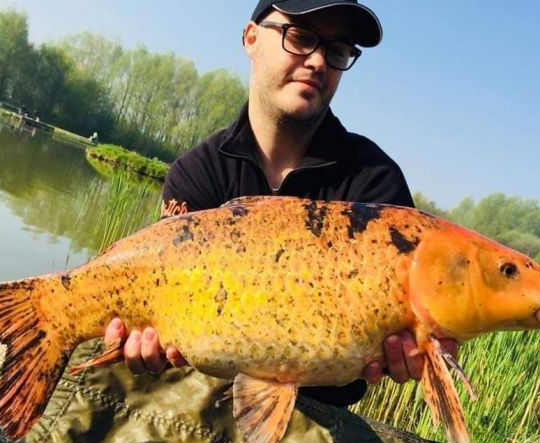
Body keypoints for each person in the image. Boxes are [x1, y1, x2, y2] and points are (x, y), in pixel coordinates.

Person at [105, 0, 458, 406]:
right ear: (251, 38)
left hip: (319, 417)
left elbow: (415, 323)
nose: (318, 61)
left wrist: (421, 352)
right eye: (301, 37)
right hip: (203, 399)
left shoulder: (374, 183)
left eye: (337, 50)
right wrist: (140, 344)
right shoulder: (198, 172)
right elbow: (161, 315)